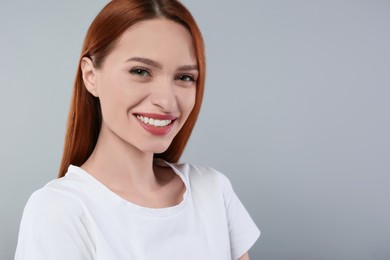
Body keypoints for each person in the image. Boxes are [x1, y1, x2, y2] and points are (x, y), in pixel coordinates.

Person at [14, 0, 260, 259]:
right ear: (90, 76)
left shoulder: (213, 190)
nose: (167, 101)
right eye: (140, 71)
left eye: (184, 77)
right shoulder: (60, 210)